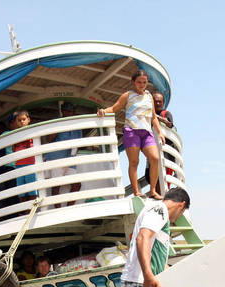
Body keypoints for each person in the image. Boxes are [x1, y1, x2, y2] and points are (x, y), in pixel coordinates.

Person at [98, 70, 166, 199]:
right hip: (131, 131)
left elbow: (153, 117)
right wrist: (103, 111)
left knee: (155, 158)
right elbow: (114, 108)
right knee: (134, 162)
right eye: (139, 82)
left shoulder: (149, 96)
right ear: (133, 82)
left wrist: (160, 132)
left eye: (144, 82)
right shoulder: (127, 95)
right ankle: (136, 191)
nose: (142, 84)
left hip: (147, 132)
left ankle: (153, 190)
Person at [45, 102, 82, 208]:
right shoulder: (57, 122)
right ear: (62, 111)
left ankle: (69, 208)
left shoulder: (77, 126)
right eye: (65, 110)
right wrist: (58, 127)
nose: (67, 113)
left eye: (70, 111)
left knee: (77, 184)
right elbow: (49, 139)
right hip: (57, 156)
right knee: (57, 184)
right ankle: (58, 209)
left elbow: (80, 142)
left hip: (71, 158)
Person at [144, 91, 176, 194]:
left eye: (160, 102)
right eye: (155, 101)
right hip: (152, 150)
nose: (157, 103)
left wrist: (153, 116)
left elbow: (169, 123)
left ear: (163, 103)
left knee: (163, 179)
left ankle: (162, 197)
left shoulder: (166, 113)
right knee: (151, 175)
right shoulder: (146, 116)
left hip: (166, 153)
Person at [9, 110, 38, 202]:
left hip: (30, 163)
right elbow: (13, 148)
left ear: (28, 120)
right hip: (19, 164)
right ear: (16, 122)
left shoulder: (32, 131)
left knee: (31, 188)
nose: (22, 122)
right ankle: (25, 210)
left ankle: (32, 208)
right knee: (21, 189)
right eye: (19, 120)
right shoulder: (15, 134)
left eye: (24, 119)